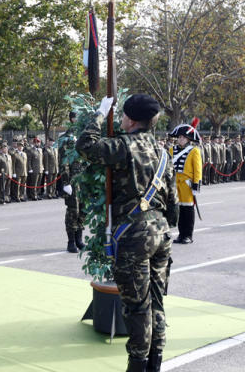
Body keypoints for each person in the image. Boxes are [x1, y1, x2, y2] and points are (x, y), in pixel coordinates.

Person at [76, 94, 178, 372]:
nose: (120, 119)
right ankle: (155, 361)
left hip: (135, 234)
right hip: (161, 231)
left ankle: (138, 364)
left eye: (122, 115)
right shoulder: (162, 152)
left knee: (137, 306)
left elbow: (85, 146)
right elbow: (173, 202)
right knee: (156, 301)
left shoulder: (123, 146)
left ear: (131, 120)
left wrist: (99, 115)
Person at [169, 120, 202, 244]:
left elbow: (197, 169)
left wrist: (196, 185)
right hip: (175, 184)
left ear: (188, 139)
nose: (180, 139)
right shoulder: (172, 150)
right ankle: (181, 234)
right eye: (179, 137)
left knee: (188, 210)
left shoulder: (194, 151)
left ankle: (188, 235)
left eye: (183, 137)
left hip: (187, 185)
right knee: (178, 210)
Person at [59, 110, 86, 253]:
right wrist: (66, 182)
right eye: (76, 118)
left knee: (83, 210)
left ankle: (79, 239)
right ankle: (71, 241)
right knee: (73, 211)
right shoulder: (66, 138)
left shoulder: (84, 135)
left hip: (84, 179)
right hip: (73, 180)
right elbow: (64, 161)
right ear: (71, 119)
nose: (78, 120)